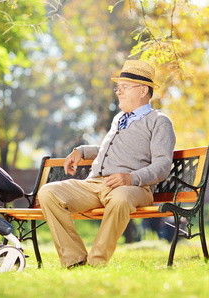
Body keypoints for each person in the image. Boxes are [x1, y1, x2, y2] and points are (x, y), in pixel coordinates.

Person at [38, 60, 176, 268]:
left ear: (143, 90)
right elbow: (107, 150)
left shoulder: (159, 121)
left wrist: (130, 178)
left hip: (134, 188)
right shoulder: (119, 118)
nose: (118, 92)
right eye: (118, 87)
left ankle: (96, 262)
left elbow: (163, 165)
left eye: (124, 87)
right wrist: (81, 151)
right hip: (96, 184)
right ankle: (74, 260)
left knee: (120, 198)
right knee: (48, 192)